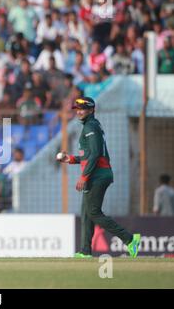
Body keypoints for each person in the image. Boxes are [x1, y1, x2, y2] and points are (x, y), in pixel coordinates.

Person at [56, 96, 141, 258]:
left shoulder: (90, 127)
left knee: (93, 212)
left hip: (97, 175)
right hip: (97, 174)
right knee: (87, 212)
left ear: (91, 110)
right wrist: (72, 159)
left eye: (83, 109)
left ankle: (130, 240)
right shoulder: (91, 126)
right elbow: (89, 155)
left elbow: (95, 154)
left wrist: (84, 176)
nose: (79, 112)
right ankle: (85, 251)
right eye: (78, 109)